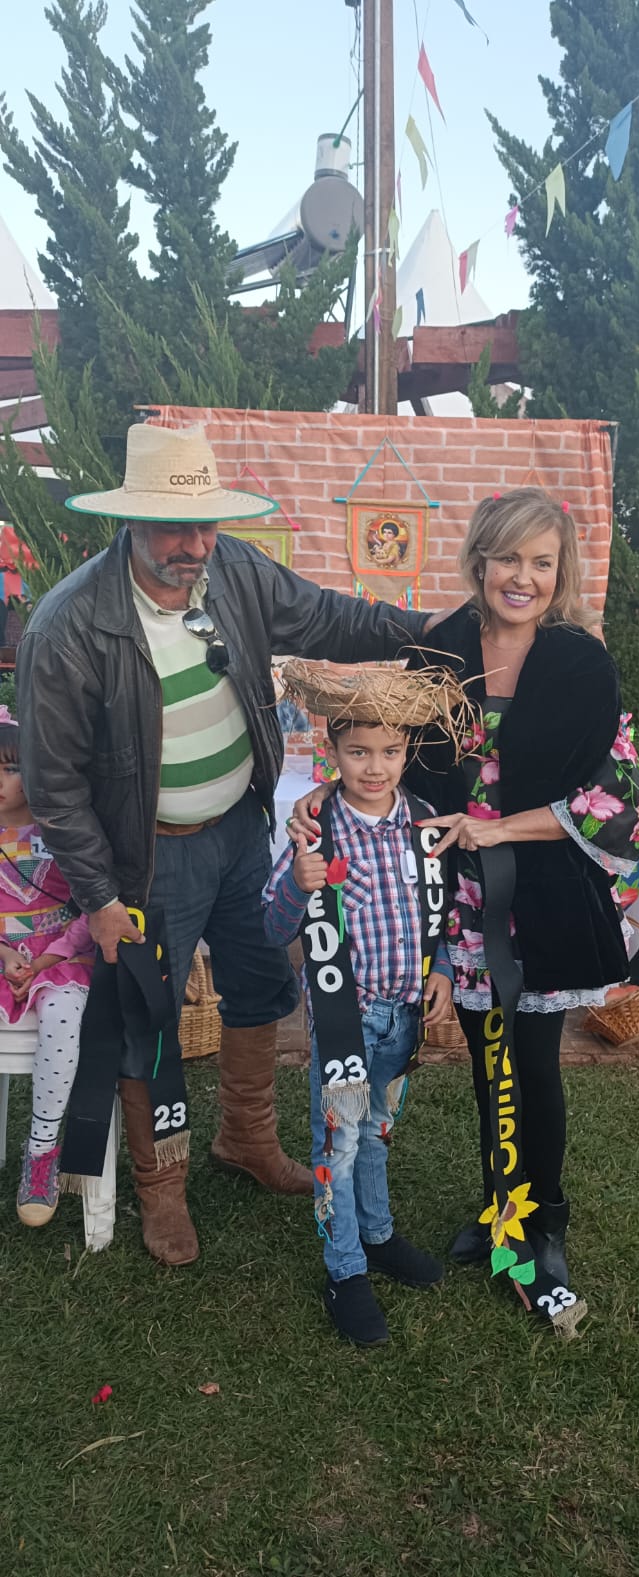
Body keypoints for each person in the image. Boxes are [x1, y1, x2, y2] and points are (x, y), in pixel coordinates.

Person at [16, 422, 436, 1268]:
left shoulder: (234, 569)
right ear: (130, 520)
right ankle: (161, 1187)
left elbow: (328, 616)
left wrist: (437, 628)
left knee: (259, 988)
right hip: (148, 859)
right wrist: (100, 897)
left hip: (243, 832)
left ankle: (244, 1137)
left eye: (207, 523)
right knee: (151, 1021)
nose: (196, 544)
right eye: (176, 527)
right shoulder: (68, 627)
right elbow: (54, 784)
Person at [291, 489, 639, 1328]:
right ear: (479, 559)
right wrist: (327, 799)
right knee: (489, 1065)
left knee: (533, 1064)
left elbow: (616, 798)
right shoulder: (437, 650)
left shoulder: (579, 662)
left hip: (540, 901)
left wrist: (498, 828)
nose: (522, 577)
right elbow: (385, 752)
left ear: (559, 572)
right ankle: (498, 1205)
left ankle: (540, 1224)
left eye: (541, 562)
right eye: (507, 557)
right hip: (450, 899)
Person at [263, 666, 455, 1346]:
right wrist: (297, 881)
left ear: (407, 752)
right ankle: (344, 1269)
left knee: (376, 1131)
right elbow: (273, 926)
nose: (375, 767)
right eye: (358, 752)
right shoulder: (315, 833)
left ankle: (377, 1235)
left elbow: (440, 911)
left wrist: (441, 970)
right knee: (337, 1146)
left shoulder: (423, 826)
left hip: (403, 1017)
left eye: (390, 751)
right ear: (333, 752)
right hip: (346, 1021)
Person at [0, 708, 94, 1226]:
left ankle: (41, 1151)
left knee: (62, 1013)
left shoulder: (63, 833)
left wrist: (47, 958)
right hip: (4, 958)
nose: (0, 781)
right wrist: (6, 954)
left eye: (11, 768)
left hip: (61, 958)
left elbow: (92, 907)